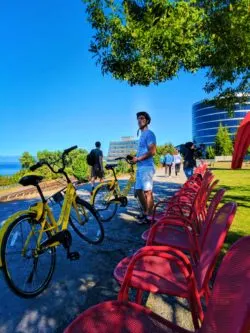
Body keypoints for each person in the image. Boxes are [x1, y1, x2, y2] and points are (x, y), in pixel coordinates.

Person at [132, 111, 156, 224]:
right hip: (140, 166)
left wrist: (138, 159)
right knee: (138, 190)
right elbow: (143, 151)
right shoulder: (141, 135)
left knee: (148, 192)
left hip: (146, 167)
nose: (139, 120)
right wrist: (135, 159)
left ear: (147, 120)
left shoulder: (149, 134)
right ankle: (146, 211)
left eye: (142, 118)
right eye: (138, 119)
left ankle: (150, 216)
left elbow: (152, 151)